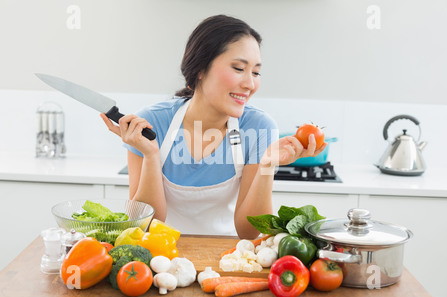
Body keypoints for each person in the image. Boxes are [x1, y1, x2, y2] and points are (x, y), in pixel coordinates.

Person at [101, 15, 326, 238]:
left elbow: (249, 232)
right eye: (238, 68)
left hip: (229, 260)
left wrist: (267, 165)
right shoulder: (153, 122)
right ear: (200, 69)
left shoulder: (259, 127)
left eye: (256, 72)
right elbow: (144, 228)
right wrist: (151, 155)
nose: (250, 84)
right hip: (160, 260)